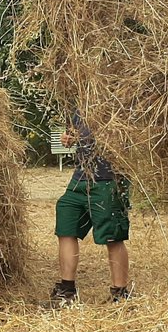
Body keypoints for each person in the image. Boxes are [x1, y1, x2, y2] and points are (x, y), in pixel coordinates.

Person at [50, 117, 131, 304]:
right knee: (66, 224)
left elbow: (128, 134)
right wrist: (68, 138)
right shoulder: (78, 104)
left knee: (113, 235)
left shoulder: (113, 98)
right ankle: (67, 289)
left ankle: (120, 293)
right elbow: (73, 133)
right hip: (80, 178)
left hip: (109, 179)